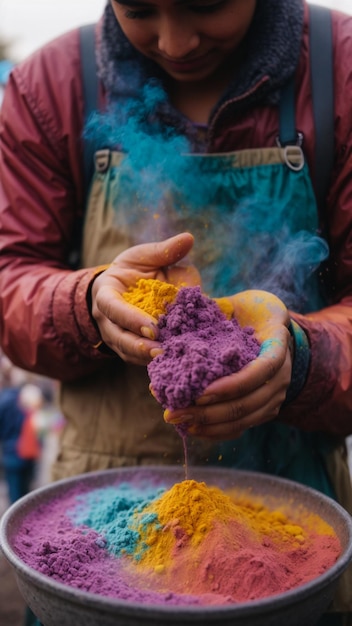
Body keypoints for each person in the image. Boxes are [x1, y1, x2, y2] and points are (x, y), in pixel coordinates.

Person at [0, 1, 352, 623]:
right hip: (99, 513)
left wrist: (300, 356)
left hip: (290, 514)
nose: (177, 41)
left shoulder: (339, 68)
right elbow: (11, 277)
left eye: (206, 4)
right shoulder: (51, 85)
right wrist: (86, 306)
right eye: (139, 10)